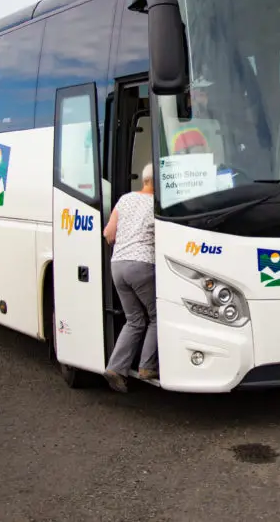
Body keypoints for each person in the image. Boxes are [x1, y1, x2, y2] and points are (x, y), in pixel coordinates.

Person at [101, 163, 157, 392]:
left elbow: (108, 233)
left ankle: (116, 367)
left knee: (134, 319)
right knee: (157, 316)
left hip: (118, 265)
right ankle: (147, 367)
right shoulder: (157, 204)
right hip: (142, 265)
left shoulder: (125, 199)